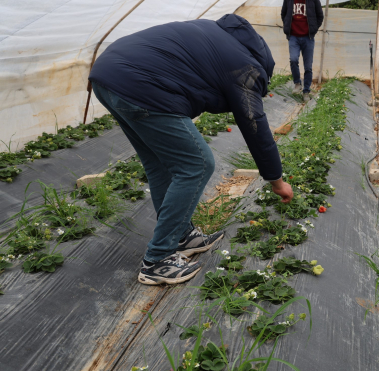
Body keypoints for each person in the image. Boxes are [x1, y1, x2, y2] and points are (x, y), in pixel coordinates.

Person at [88, 14, 293, 285]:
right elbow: (255, 125)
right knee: (197, 164)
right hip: (140, 85)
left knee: (161, 165)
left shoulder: (214, 34)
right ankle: (157, 260)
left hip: (107, 76)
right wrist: (276, 180)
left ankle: (182, 236)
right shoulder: (246, 69)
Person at [280, 0, 325, 101]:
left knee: (308, 66)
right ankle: (297, 83)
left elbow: (319, 16)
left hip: (308, 38)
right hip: (293, 37)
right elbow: (283, 14)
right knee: (293, 60)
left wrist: (313, 30)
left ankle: (306, 91)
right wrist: (287, 28)